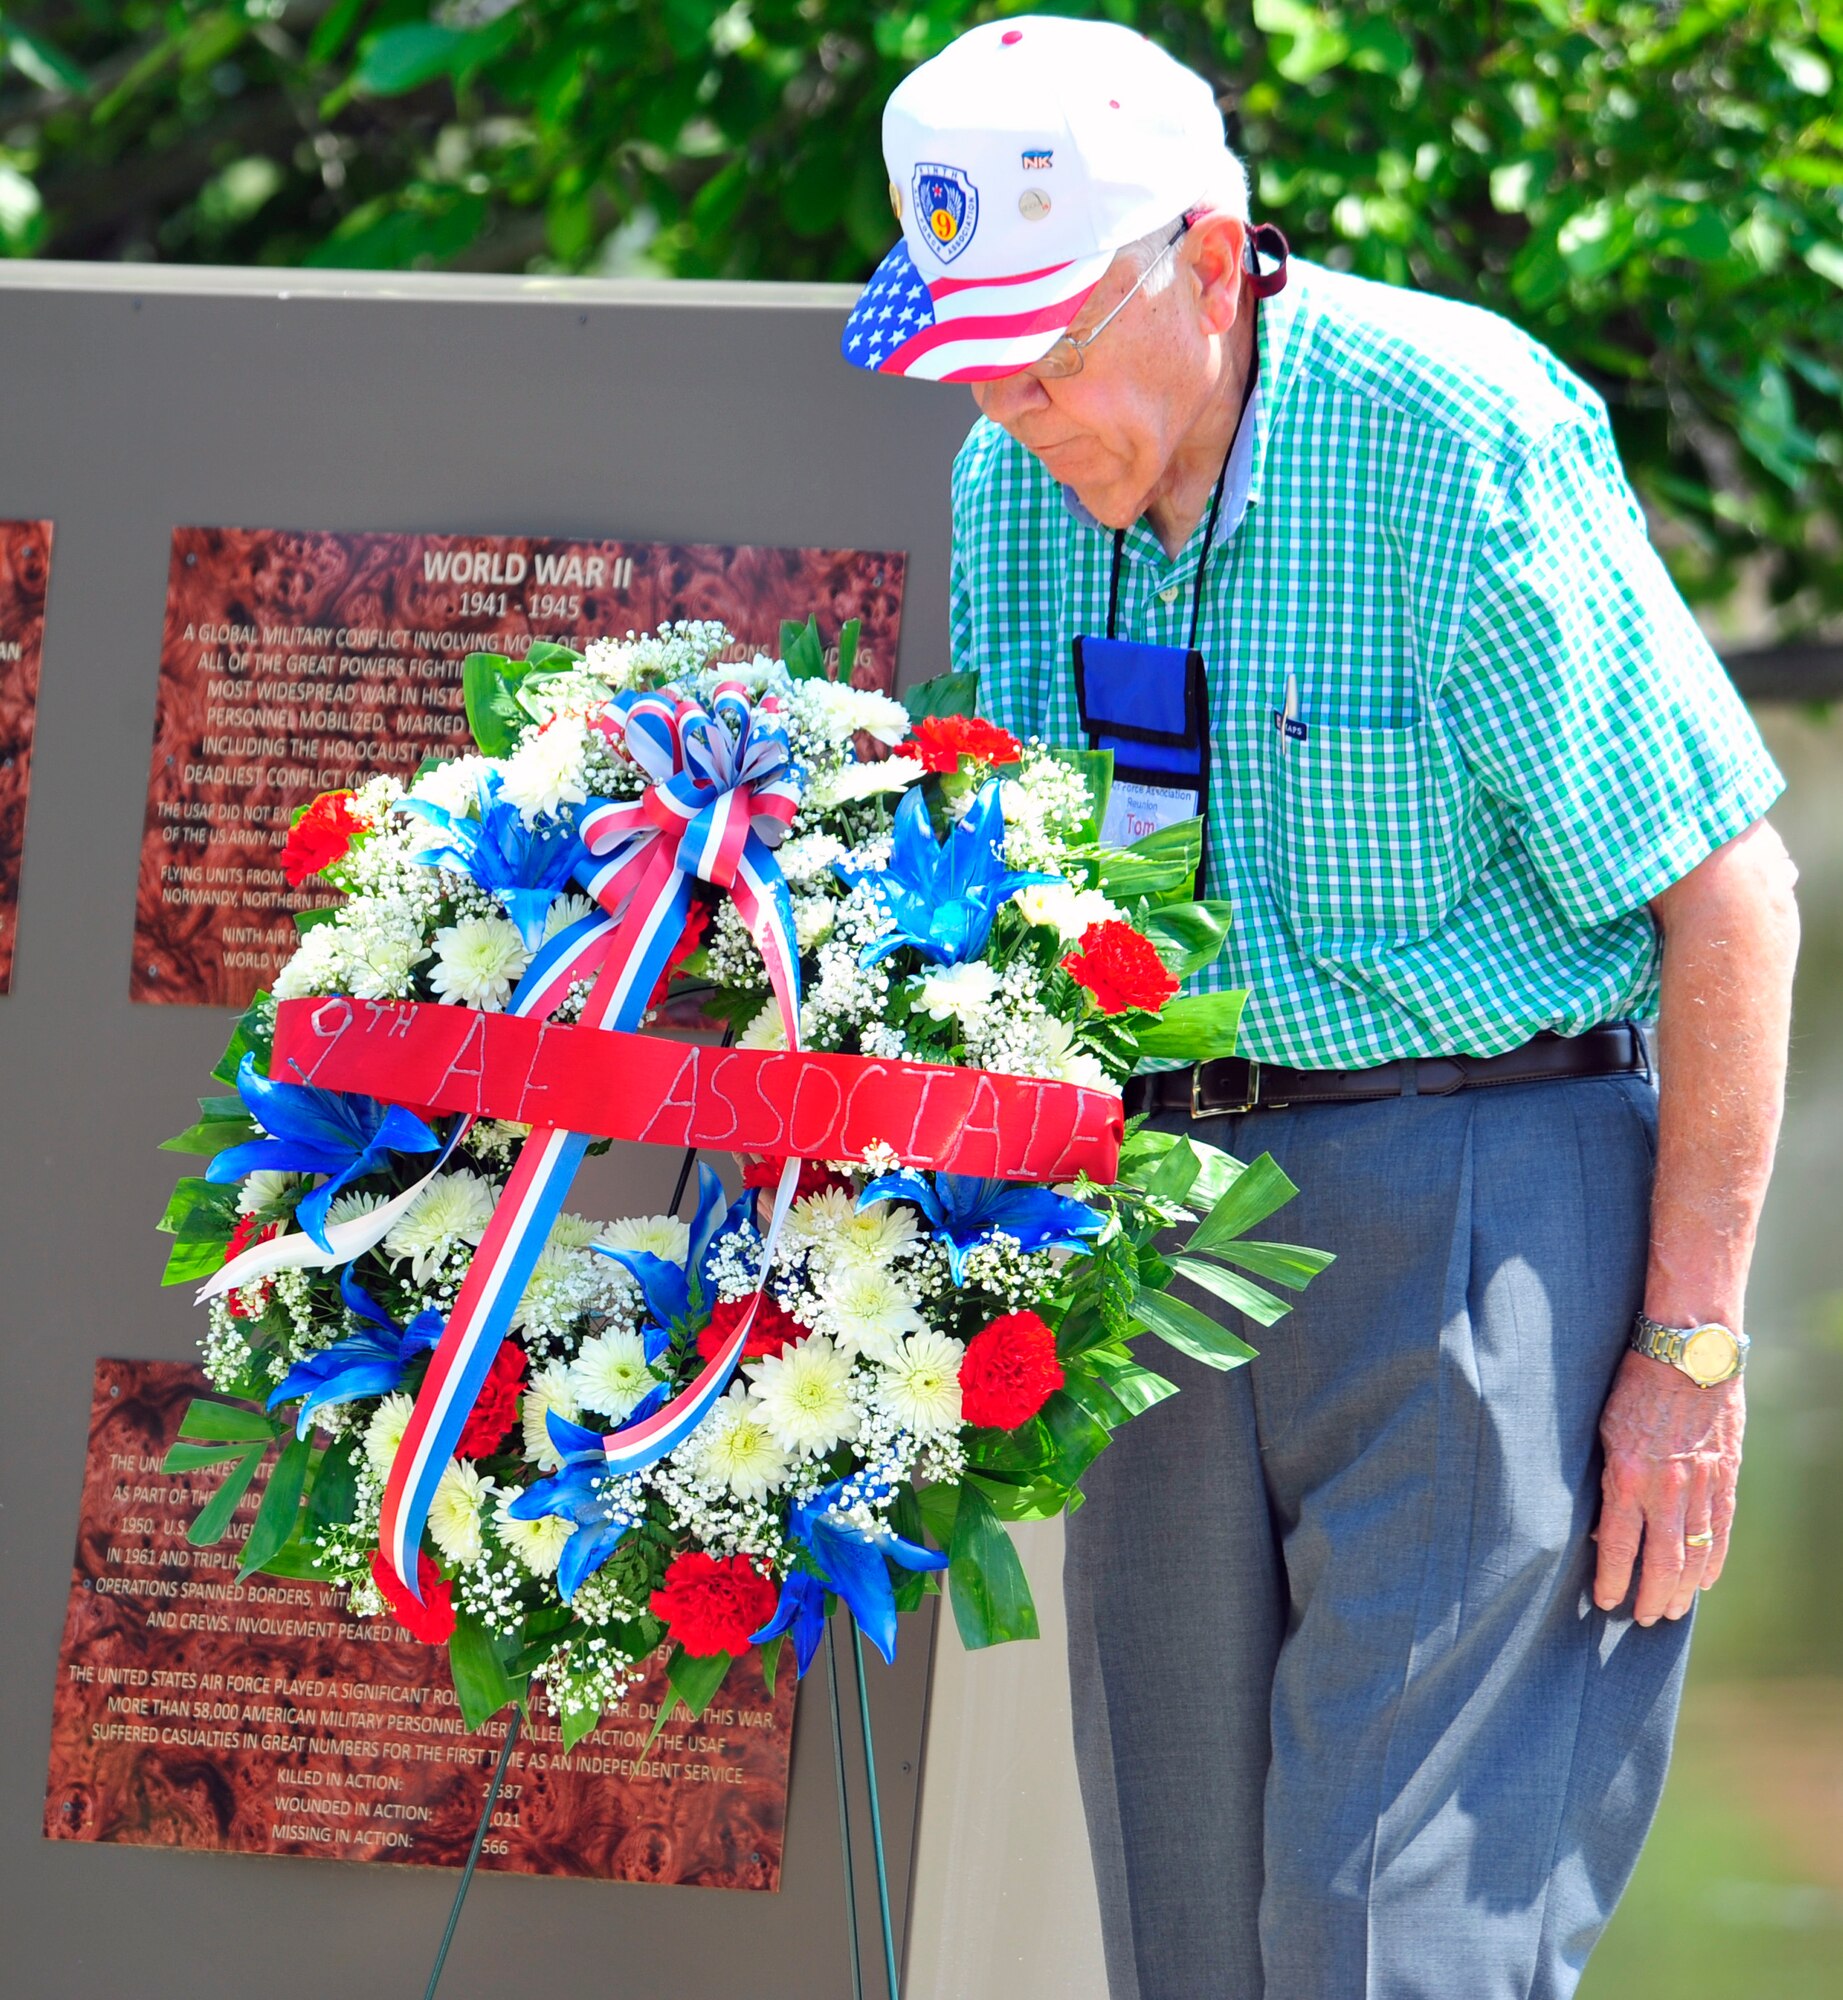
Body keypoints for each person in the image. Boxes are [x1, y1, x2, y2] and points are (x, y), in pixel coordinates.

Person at [841, 17, 1800, 2000]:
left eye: (1045, 348)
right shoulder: (1009, 487)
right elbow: (1021, 907)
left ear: (1206, 262)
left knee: (1396, 1946)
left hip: (1479, 1195)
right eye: (970, 358)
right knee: (1187, 1947)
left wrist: (1687, 1355)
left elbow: (1728, 894)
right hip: (1162, 1232)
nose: (1011, 405)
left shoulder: (1452, 434)